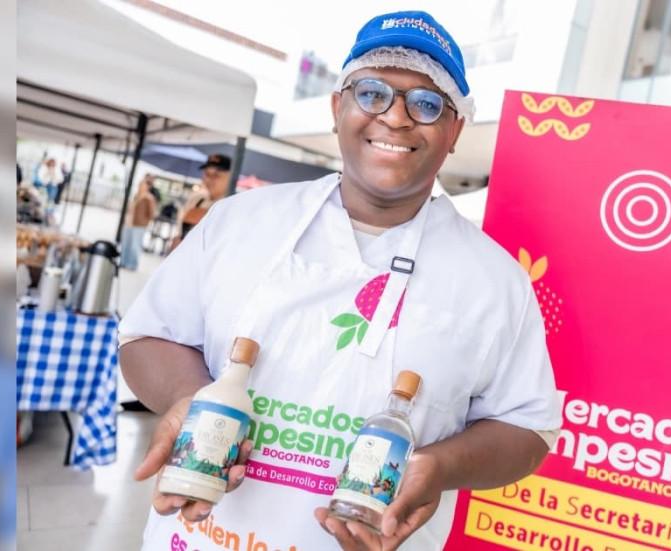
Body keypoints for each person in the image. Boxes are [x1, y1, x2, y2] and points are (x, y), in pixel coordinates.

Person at [119, 10, 560, 551]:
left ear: (454, 133)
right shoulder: (240, 221)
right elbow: (149, 337)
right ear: (337, 108)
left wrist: (437, 467)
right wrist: (191, 401)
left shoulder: (496, 281)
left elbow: (528, 429)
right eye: (372, 93)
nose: (396, 118)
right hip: (202, 536)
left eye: (426, 104)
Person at [120, 175, 157, 271]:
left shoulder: (149, 198)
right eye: (140, 184)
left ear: (147, 186)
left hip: (139, 225)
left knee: (135, 246)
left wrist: (144, 222)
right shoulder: (136, 196)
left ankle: (132, 265)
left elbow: (152, 214)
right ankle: (123, 262)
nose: (140, 186)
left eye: (142, 184)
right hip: (129, 223)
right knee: (126, 244)